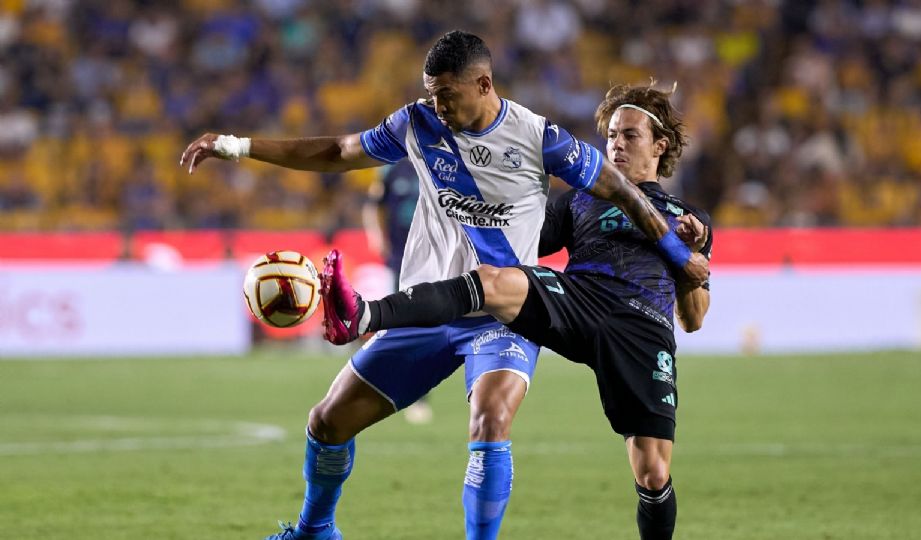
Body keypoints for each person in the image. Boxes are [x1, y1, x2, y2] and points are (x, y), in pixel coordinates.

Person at [180, 30, 708, 540]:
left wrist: (680, 254)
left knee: (490, 420)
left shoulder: (537, 136)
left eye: (446, 95)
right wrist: (234, 145)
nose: (437, 105)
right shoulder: (416, 123)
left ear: (483, 85)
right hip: (430, 303)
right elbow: (340, 152)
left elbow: (621, 189)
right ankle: (315, 530)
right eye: (431, 94)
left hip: (505, 312)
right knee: (327, 422)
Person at [320, 82, 710, 540]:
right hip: (579, 299)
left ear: (659, 146)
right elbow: (518, 240)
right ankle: (367, 314)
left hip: (642, 326)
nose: (616, 144)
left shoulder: (685, 216)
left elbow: (694, 318)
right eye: (612, 136)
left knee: (653, 472)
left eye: (630, 136)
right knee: (493, 281)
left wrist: (690, 261)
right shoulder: (582, 199)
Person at [361, 159, 433, 424]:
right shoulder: (392, 168)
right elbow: (371, 205)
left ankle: (420, 395)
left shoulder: (438, 161)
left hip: (433, 258)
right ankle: (395, 390)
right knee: (401, 326)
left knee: (427, 326)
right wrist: (375, 235)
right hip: (401, 259)